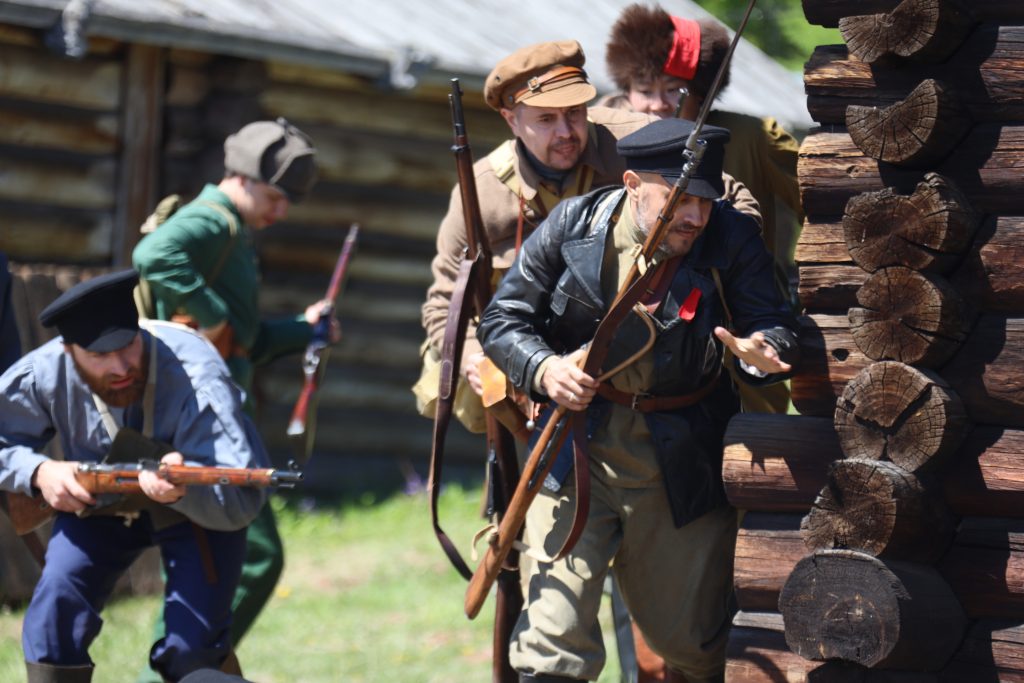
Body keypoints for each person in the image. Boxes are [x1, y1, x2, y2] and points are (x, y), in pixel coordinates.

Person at [476, 117, 800, 682]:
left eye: (705, 199)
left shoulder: (730, 235)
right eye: (680, 198)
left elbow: (771, 321)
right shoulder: (574, 222)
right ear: (631, 182)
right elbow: (503, 319)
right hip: (574, 449)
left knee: (695, 644)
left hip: (680, 457)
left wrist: (761, 350)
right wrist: (544, 368)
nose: (696, 216)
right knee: (552, 641)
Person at [414, 39, 761, 429]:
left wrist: (696, 278)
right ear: (512, 120)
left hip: (650, 352)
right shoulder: (480, 192)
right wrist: (477, 359)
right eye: (546, 120)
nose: (566, 131)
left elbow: (733, 200)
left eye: (575, 113)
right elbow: (445, 304)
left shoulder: (637, 141)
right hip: (528, 363)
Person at [132, 118, 340, 670]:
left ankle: (183, 666)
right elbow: (153, 255)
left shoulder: (232, 234)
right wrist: (214, 313)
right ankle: (180, 670)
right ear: (244, 179)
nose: (281, 212)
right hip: (197, 420)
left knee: (214, 561)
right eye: (275, 198)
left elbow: (241, 343)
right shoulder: (209, 222)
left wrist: (306, 329)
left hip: (212, 415)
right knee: (257, 556)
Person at [0, 270, 267, 682]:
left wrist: (180, 486)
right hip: (98, 505)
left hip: (193, 508)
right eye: (100, 356)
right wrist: (38, 470)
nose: (121, 366)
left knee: (191, 653)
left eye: (127, 346)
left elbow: (240, 502)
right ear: (69, 352)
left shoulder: (199, 374)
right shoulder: (45, 370)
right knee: (51, 623)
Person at [601, 3, 803, 314]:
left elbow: (822, 201)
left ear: (701, 93)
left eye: (673, 90)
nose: (658, 106)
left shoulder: (752, 137)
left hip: (741, 310)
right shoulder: (602, 134)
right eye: (645, 90)